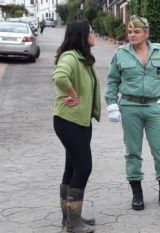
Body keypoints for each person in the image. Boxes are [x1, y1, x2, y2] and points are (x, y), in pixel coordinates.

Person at [105, 15, 160, 211]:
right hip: (130, 107)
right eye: (129, 32)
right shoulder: (120, 54)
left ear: (146, 33)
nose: (132, 35)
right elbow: (112, 81)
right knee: (133, 152)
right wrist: (111, 104)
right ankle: (137, 194)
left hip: (155, 107)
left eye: (137, 31)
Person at [52, 20, 99, 233]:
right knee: (84, 167)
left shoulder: (81, 58)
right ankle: (73, 223)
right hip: (70, 122)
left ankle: (70, 217)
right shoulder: (70, 57)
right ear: (82, 35)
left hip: (78, 121)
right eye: (91, 31)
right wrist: (73, 95)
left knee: (71, 167)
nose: (94, 33)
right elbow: (60, 77)